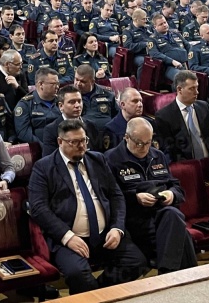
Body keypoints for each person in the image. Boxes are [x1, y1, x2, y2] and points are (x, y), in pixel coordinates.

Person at [28, 118, 147, 295]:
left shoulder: (98, 160)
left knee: (136, 262)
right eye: (74, 142)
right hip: (68, 239)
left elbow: (116, 196)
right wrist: (67, 236)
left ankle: (98, 294)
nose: (81, 146)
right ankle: (93, 294)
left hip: (104, 234)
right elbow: (38, 208)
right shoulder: (44, 167)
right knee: (78, 275)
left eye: (84, 140)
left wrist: (117, 228)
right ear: (60, 142)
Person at [105, 118, 197, 274]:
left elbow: (177, 188)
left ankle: (167, 272)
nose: (144, 147)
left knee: (172, 214)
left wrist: (171, 194)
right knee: (180, 230)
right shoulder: (111, 158)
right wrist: (136, 197)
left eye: (148, 142)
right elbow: (110, 197)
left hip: (161, 214)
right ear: (126, 137)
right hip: (134, 220)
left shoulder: (158, 155)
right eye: (139, 143)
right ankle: (186, 278)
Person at [155, 70, 209, 161]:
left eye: (197, 88)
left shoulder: (204, 107)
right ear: (179, 89)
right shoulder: (164, 116)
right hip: (186, 166)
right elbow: (169, 150)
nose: (197, 92)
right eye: (192, 88)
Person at [42, 86, 100, 156]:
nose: (77, 105)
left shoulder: (91, 125)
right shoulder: (51, 130)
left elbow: (98, 154)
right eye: (72, 102)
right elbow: (49, 161)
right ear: (61, 106)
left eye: (79, 101)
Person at [13, 68, 62, 144]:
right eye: (53, 84)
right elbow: (23, 133)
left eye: (58, 84)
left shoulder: (61, 101)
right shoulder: (25, 104)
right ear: (41, 84)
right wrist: (44, 146)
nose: (57, 87)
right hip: (39, 149)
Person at [73, 64, 119, 134]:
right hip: (81, 134)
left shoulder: (108, 94)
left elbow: (117, 116)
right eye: (76, 79)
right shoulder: (69, 95)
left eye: (83, 81)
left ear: (92, 81)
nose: (78, 83)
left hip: (107, 134)